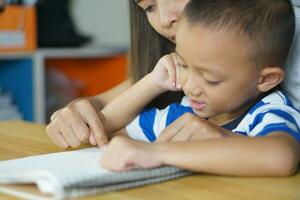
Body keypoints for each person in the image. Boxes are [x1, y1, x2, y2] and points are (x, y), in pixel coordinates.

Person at [97, 0, 300, 176]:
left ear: (266, 79)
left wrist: (157, 153)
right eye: (184, 65)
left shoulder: (268, 112)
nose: (190, 87)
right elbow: (106, 130)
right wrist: (152, 83)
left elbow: (282, 157)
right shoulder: (184, 114)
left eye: (210, 79)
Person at [46, 0, 190, 148]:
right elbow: (102, 104)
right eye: (150, 7)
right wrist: (73, 113)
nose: (164, 20)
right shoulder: (167, 72)